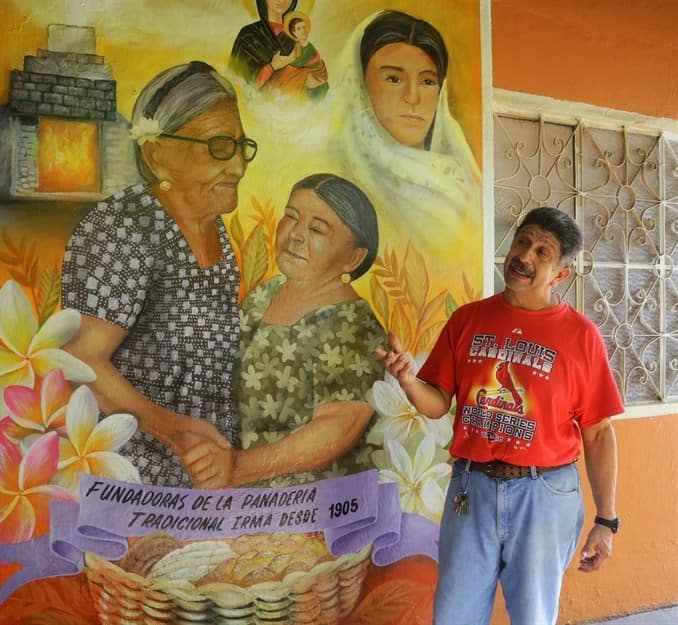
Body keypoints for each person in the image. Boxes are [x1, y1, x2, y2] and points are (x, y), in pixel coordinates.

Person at [376, 207, 623, 625]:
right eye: (523, 241)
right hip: (471, 488)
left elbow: (598, 433)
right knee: (454, 614)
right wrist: (409, 380)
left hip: (543, 495)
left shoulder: (580, 336)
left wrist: (607, 520)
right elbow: (438, 401)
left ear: (560, 275)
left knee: (533, 616)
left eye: (542, 251)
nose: (525, 255)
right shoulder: (468, 320)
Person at [61, 61, 257, 488]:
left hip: (202, 477)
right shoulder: (124, 226)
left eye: (243, 146)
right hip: (135, 480)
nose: (239, 166)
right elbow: (79, 358)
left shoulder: (211, 225)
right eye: (220, 147)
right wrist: (172, 430)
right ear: (157, 154)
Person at [184, 173, 385, 488]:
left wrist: (239, 467)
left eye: (316, 229)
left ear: (353, 257)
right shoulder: (266, 294)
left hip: (307, 496)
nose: (295, 235)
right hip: (232, 483)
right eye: (291, 217)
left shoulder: (353, 325)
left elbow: (339, 427)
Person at [331, 9, 481, 293]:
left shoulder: (463, 180)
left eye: (427, 82)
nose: (412, 98)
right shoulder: (341, 171)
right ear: (361, 84)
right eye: (393, 79)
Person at [255, 11, 329, 99]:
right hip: (296, 70)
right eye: (299, 29)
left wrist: (285, 61)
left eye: (304, 27)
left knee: (286, 76)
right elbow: (292, 58)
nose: (303, 31)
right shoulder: (296, 45)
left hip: (310, 73)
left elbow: (299, 62)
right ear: (294, 32)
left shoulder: (308, 47)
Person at [229, 0, 299, 86]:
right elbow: (237, 80)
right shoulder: (248, 35)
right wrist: (271, 67)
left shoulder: (295, 37)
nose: (281, 0)